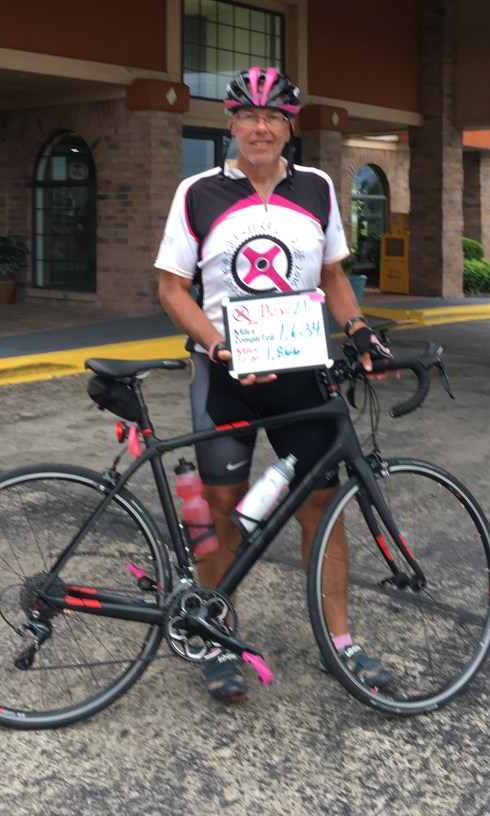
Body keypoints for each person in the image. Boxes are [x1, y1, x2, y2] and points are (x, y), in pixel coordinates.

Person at [155, 66, 394, 704]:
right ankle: (214, 638)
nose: (260, 128)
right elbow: (172, 289)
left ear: (289, 126)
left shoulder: (317, 188)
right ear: (230, 123)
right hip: (226, 375)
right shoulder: (197, 192)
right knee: (222, 506)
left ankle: (340, 643)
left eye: (273, 117)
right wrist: (218, 346)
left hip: (300, 375)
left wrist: (358, 329)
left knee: (322, 507)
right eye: (248, 116)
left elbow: (334, 276)